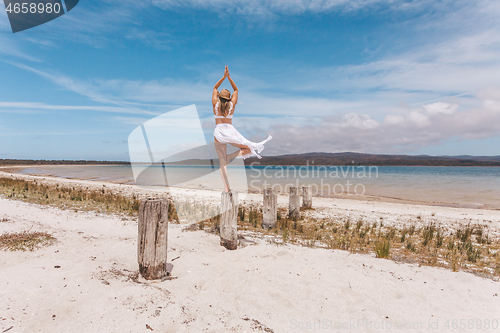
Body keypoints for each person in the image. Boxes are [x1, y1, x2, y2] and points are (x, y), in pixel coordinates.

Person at [213, 66, 272, 192]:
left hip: (218, 133)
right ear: (228, 98)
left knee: (222, 163)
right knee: (249, 148)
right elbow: (236, 89)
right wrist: (229, 78)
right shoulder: (231, 105)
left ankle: (226, 188)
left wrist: (223, 77)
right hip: (230, 130)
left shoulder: (215, 104)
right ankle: (231, 157)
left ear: (219, 97)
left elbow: (214, 88)